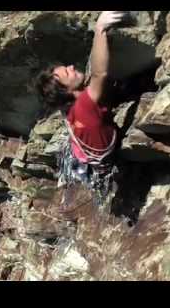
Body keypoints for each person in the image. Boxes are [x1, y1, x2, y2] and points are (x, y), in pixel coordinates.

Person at [34, 11, 126, 208]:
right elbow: (100, 73)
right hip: (104, 156)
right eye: (67, 72)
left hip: (84, 148)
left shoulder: (69, 105)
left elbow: (94, 74)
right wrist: (99, 29)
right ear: (68, 90)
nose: (70, 66)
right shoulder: (84, 106)